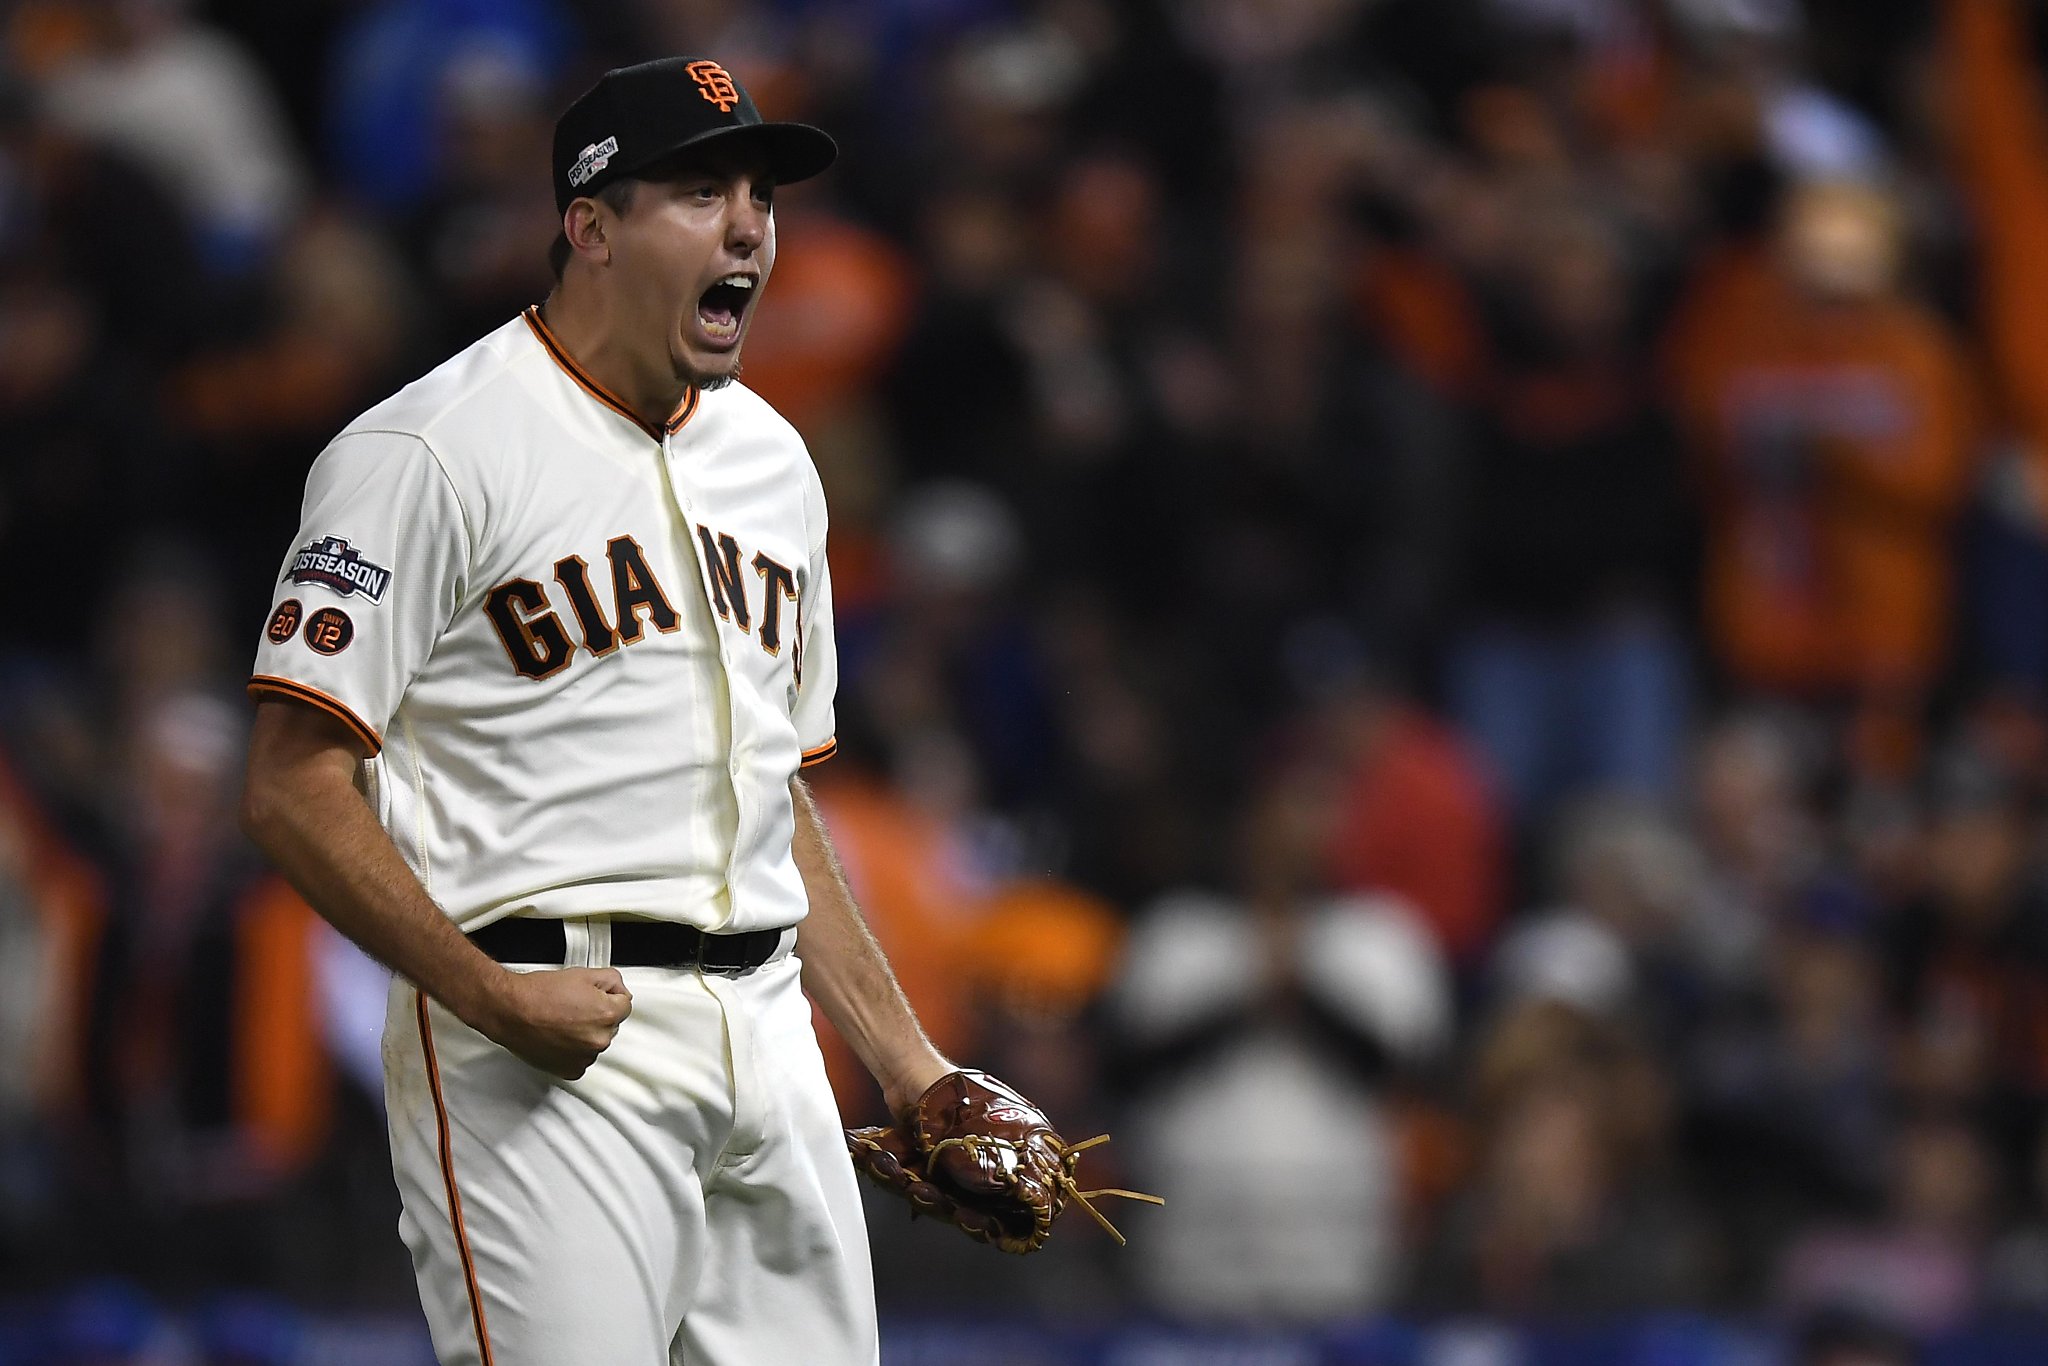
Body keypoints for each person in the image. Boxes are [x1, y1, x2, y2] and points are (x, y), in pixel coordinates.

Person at [238, 58, 959, 1365]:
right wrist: (482, 994)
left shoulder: (774, 459)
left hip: (771, 1032)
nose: (749, 226)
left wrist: (909, 1064)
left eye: (759, 194)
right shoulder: (426, 451)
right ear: (589, 224)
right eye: (699, 190)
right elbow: (292, 782)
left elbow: (772, 792)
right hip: (541, 1031)